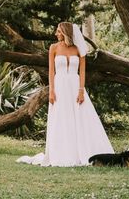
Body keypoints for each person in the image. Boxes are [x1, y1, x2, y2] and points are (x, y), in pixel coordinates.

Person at [17, 22, 114, 166]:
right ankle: (61, 152)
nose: (56, 34)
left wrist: (81, 91)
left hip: (75, 86)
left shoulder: (78, 49)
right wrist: (52, 91)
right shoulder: (53, 48)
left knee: (81, 118)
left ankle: (85, 151)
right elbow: (51, 71)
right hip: (60, 86)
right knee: (62, 119)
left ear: (66, 33)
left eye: (58, 31)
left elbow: (82, 72)